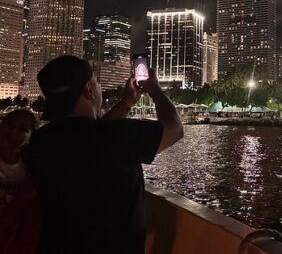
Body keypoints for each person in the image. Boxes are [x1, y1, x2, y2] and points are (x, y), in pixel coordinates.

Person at [26, 55, 183, 254]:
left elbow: (91, 137)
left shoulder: (40, 141)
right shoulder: (115, 138)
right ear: (88, 90)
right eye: (96, 82)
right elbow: (175, 129)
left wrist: (126, 103)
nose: (99, 87)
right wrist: (155, 91)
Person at [0, 109, 40, 254]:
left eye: (22, 129)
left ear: (30, 137)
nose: (13, 131)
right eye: (8, 125)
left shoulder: (32, 166)